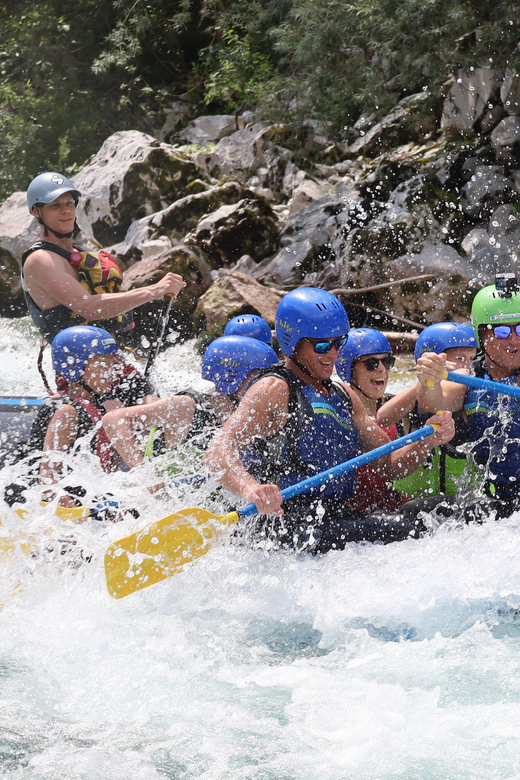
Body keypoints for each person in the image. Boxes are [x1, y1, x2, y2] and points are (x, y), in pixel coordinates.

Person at [204, 287, 455, 553]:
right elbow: (217, 451)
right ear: (293, 343)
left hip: (334, 518)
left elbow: (389, 464)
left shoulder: (344, 395)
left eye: (339, 343)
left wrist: (426, 440)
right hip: (287, 524)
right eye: (322, 345)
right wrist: (251, 488)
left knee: (445, 511)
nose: (333, 354)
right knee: (415, 529)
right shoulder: (273, 389)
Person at [22, 171, 186, 344]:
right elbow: (89, 307)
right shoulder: (39, 260)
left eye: (69, 203)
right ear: (37, 212)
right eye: (55, 205)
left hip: (110, 353)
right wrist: (152, 291)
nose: (66, 211)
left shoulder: (82, 254)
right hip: (78, 361)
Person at [101, 336, 279, 493]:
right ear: (231, 376)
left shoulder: (251, 416)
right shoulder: (186, 407)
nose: (267, 385)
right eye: (260, 378)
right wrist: (148, 478)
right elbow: (114, 419)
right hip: (163, 505)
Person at [416, 279, 520, 521]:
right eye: (502, 331)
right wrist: (428, 380)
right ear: (481, 334)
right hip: (496, 500)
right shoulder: (468, 379)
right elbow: (432, 403)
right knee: (417, 513)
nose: (514, 340)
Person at [379, 321, 476, 499]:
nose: (468, 366)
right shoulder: (416, 395)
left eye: (472, 359)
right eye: (460, 358)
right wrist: (427, 380)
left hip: (459, 502)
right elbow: (381, 419)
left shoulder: (471, 396)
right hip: (412, 500)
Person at [334, 328, 405, 512]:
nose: (382, 369)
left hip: (394, 511)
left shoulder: (400, 408)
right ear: (348, 369)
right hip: (353, 518)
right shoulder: (336, 413)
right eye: (371, 363)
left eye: (387, 362)